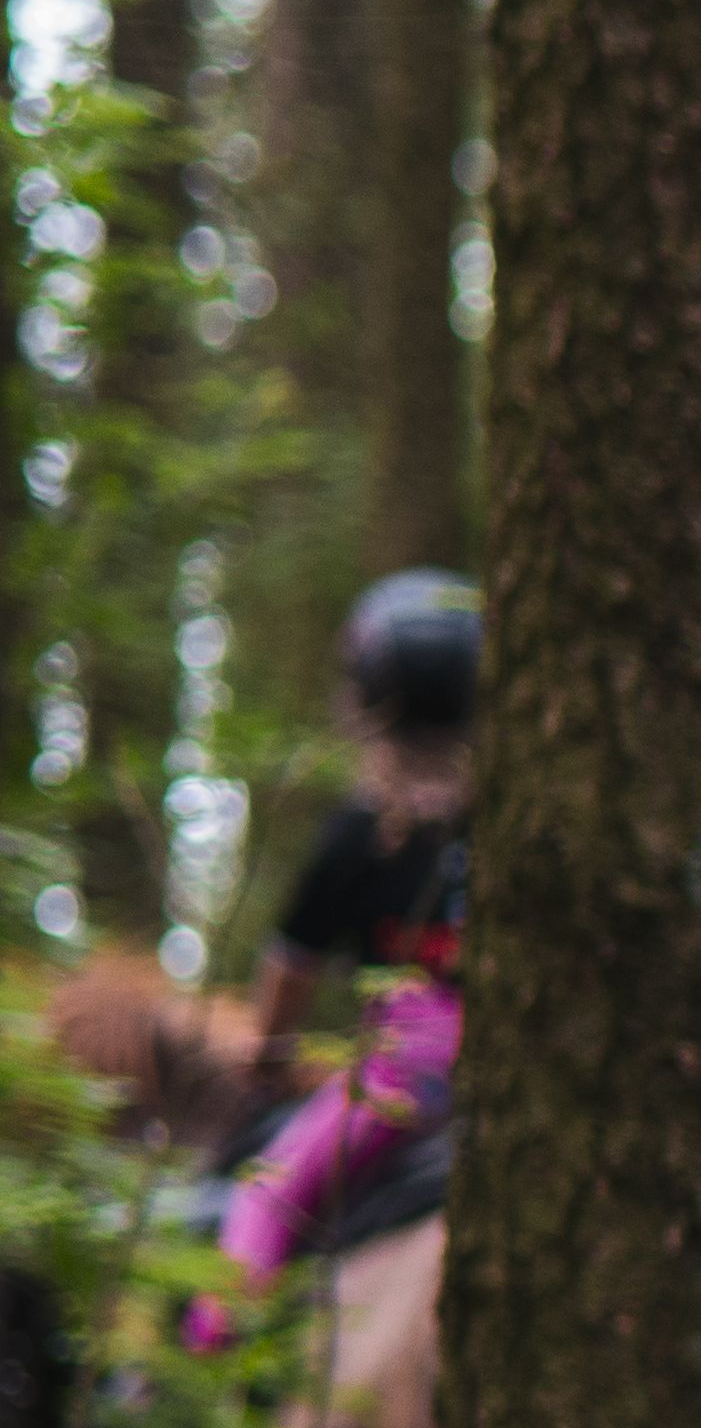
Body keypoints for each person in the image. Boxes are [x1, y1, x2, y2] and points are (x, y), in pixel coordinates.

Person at [180, 575, 481, 1359]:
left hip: (407, 1075)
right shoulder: (507, 820)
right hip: (514, 1061)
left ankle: (201, 1370)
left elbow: (291, 971)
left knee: (269, 1197)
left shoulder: (358, 834)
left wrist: (272, 1057)